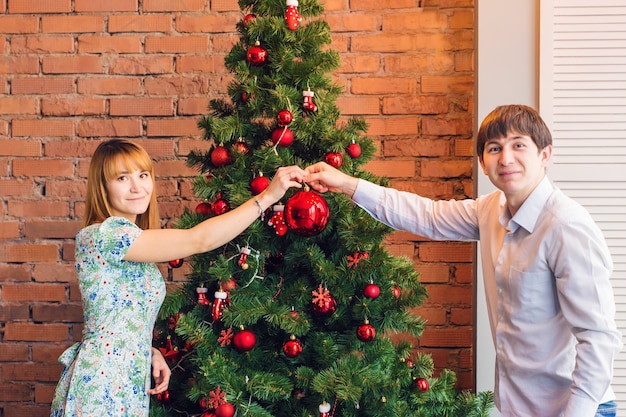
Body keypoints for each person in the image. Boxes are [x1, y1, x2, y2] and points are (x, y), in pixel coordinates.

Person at [304, 104, 622, 417]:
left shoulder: (567, 226)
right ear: (483, 163)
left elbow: (598, 338)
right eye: (495, 148)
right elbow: (424, 215)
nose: (506, 158)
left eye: (519, 145)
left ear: (544, 155)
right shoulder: (490, 211)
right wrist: (346, 184)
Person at [50, 139, 307, 417]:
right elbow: (198, 240)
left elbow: (118, 315)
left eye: (142, 175)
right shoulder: (106, 235)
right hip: (102, 384)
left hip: (126, 378)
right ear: (103, 186)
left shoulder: (131, 241)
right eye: (122, 178)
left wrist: (145, 350)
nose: (137, 187)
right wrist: (267, 197)